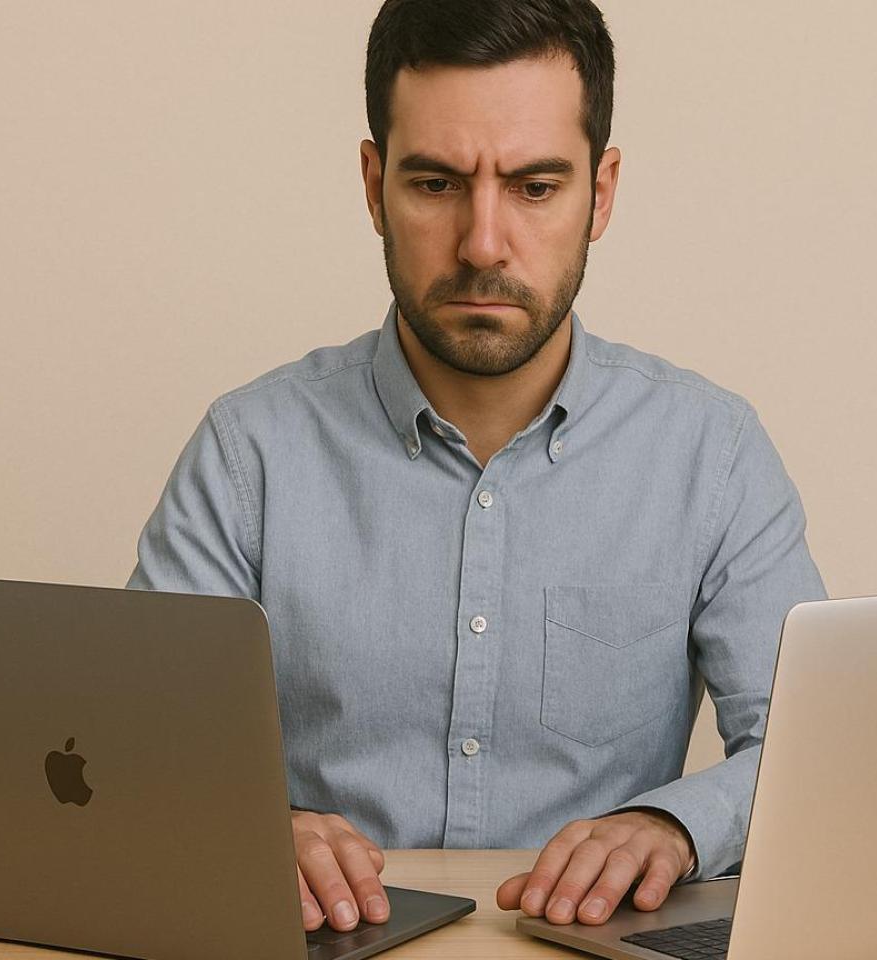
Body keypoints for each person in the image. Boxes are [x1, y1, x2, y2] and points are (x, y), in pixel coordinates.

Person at [126, 0, 825, 935]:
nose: (483, 244)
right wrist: (249, 824)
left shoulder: (712, 453)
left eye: (534, 186)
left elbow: (816, 753)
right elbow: (142, 748)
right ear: (373, 186)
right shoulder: (247, 452)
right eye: (435, 184)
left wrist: (676, 827)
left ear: (600, 195)